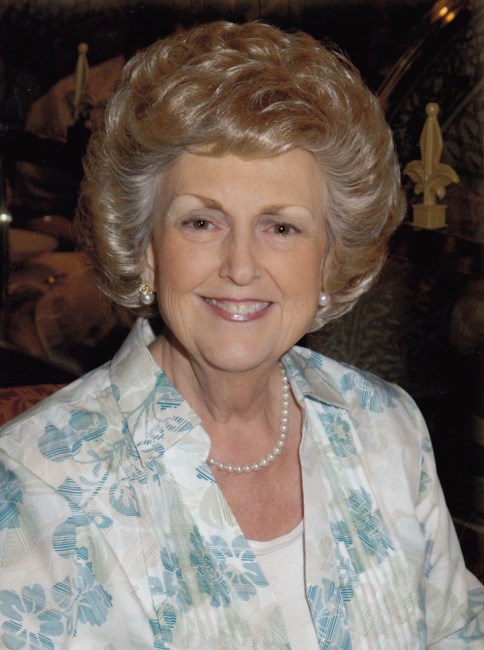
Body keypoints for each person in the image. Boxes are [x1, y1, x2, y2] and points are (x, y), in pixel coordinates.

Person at [0, 21, 482, 649]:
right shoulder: (33, 486)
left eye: (282, 228)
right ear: (145, 249)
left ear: (329, 260)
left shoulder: (386, 426)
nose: (241, 266)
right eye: (202, 222)